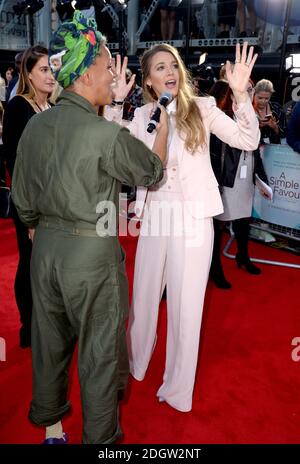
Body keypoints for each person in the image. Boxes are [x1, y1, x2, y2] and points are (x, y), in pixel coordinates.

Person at [11, 11, 166, 444]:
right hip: (91, 260)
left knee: (49, 346)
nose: (111, 78)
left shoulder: (35, 126)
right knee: (99, 355)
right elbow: (151, 172)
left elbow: (22, 203)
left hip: (46, 256)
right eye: (104, 68)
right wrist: (163, 125)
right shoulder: (103, 134)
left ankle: (52, 430)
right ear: (82, 75)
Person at [106, 41, 260, 412]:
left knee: (186, 305)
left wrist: (240, 96)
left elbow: (248, 139)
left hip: (193, 216)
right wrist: (113, 106)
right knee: (143, 297)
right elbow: (112, 152)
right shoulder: (143, 115)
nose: (170, 72)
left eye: (172, 65)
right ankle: (137, 364)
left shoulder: (203, 108)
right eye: (160, 68)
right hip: (157, 210)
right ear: (148, 80)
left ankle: (177, 388)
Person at [2, 45, 56, 348]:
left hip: (55, 200)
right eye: (44, 70)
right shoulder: (18, 106)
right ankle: (28, 325)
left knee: (48, 264)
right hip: (31, 200)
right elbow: (13, 161)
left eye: (52, 69)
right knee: (30, 261)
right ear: (29, 74)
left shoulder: (52, 107)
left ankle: (47, 320)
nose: (51, 75)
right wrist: (30, 213)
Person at [209, 79, 269, 289]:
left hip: (245, 178)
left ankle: (243, 257)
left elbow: (255, 153)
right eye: (246, 89)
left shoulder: (250, 116)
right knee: (217, 225)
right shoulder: (219, 117)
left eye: (251, 89)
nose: (250, 93)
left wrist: (262, 179)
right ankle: (214, 267)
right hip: (226, 179)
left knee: (243, 221)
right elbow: (214, 155)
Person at [253, 79, 286, 144]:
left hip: (274, 148)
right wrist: (257, 127)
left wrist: (275, 127)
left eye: (266, 98)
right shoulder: (248, 109)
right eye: (260, 98)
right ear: (254, 94)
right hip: (253, 148)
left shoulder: (277, 108)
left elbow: (284, 134)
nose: (263, 101)